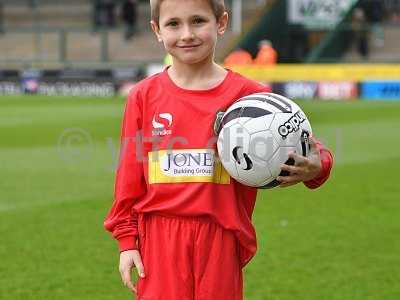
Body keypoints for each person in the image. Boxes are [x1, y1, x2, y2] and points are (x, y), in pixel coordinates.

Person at [104, 0, 334, 299]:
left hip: (221, 238)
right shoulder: (143, 97)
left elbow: (310, 147)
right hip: (158, 239)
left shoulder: (251, 96)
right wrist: (127, 241)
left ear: (221, 23)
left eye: (198, 21)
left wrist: (319, 166)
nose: (186, 34)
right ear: (157, 30)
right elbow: (129, 178)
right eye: (173, 24)